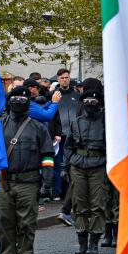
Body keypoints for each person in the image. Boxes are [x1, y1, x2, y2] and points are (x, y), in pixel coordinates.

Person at [0, 86, 54, 254]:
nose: (19, 100)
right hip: (3, 182)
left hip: (29, 182)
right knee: (4, 224)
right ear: (9, 101)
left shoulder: (38, 128)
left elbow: (47, 157)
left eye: (23, 97)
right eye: (16, 97)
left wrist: (46, 184)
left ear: (28, 101)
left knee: (26, 224)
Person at [63, 89, 107, 254]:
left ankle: (94, 243)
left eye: (93, 102)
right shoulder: (76, 122)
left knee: (98, 205)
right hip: (78, 166)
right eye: (87, 101)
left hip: (99, 166)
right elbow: (68, 146)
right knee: (79, 205)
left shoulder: (106, 122)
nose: (90, 104)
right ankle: (82, 242)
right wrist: (70, 162)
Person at [53, 68, 80, 201]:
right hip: (59, 136)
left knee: (72, 165)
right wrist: (55, 133)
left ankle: (72, 192)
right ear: (58, 79)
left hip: (74, 136)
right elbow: (51, 116)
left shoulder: (76, 95)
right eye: (62, 78)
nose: (64, 79)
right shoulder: (53, 95)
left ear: (69, 78)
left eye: (66, 77)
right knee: (58, 165)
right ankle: (57, 192)